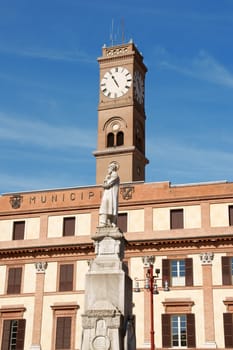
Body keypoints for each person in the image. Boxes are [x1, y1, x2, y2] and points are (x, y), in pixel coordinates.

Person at [99, 162, 120, 227]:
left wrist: (106, 180)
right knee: (107, 207)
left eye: (109, 168)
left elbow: (107, 185)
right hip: (108, 194)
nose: (108, 169)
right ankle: (107, 222)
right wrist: (106, 180)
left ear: (112, 168)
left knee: (107, 206)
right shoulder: (110, 176)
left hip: (111, 195)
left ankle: (105, 222)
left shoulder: (114, 175)